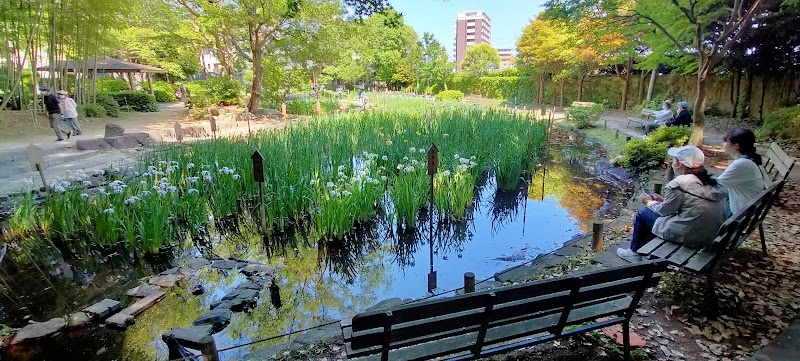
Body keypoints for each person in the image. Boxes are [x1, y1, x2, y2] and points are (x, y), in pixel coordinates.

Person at [617, 145, 729, 261]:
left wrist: (649, 202)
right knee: (653, 215)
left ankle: (634, 252)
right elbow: (691, 204)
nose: (672, 163)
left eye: (674, 159)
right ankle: (646, 251)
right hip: (711, 233)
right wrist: (663, 200)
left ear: (679, 164)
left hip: (691, 234)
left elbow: (664, 212)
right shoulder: (713, 181)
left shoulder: (680, 183)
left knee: (643, 213)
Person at [716, 128, 770, 214]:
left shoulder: (742, 164)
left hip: (738, 216)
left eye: (725, 141)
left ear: (736, 146)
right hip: (745, 213)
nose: (723, 144)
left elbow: (717, 185)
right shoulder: (747, 160)